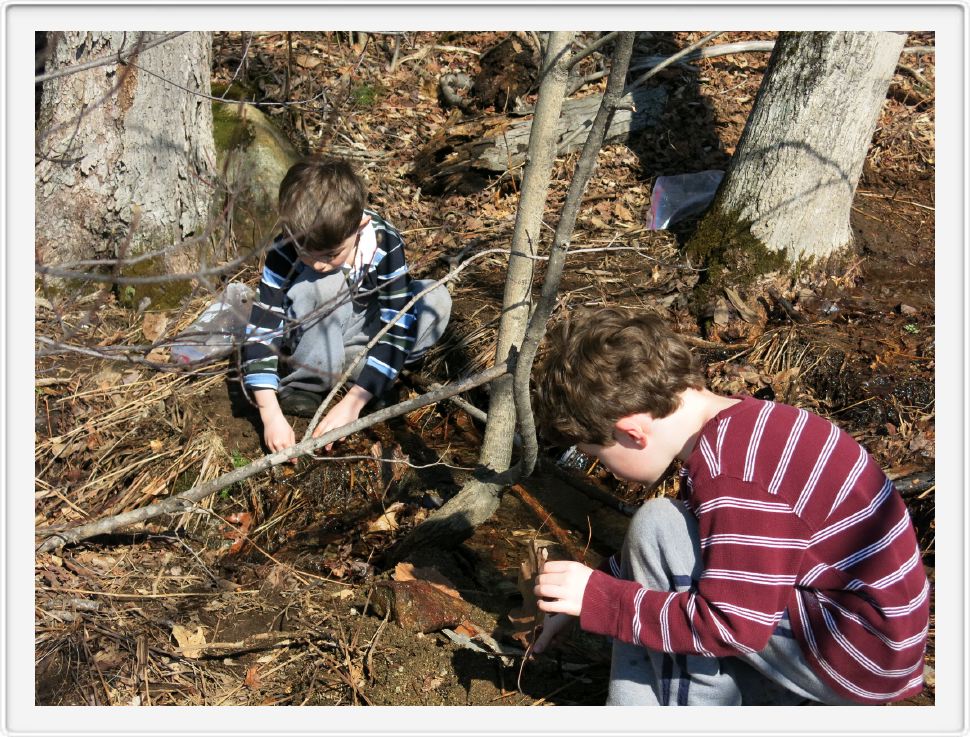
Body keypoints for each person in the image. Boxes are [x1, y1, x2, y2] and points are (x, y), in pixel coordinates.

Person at [530, 307, 929, 706]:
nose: (608, 470)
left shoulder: (733, 473)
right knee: (661, 539)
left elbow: (732, 624)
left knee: (656, 524)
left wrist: (604, 600)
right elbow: (707, 547)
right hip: (871, 644)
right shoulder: (749, 427)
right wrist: (587, 594)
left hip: (855, 656)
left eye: (599, 455)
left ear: (632, 433)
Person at [242, 157, 451, 452]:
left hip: (363, 331)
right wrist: (270, 414)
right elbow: (262, 328)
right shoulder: (284, 249)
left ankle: (369, 376)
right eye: (305, 253)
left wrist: (353, 403)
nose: (317, 263)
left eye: (330, 254)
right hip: (314, 331)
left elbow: (397, 322)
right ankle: (308, 383)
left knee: (434, 298)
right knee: (321, 282)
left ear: (360, 224)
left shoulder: (383, 242)